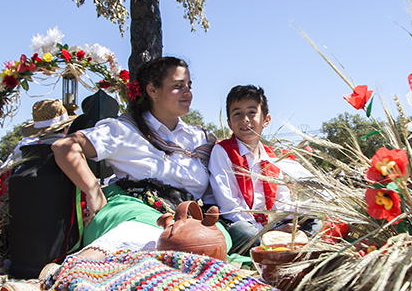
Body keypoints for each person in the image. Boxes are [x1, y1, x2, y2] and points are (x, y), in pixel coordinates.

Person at [52, 56, 232, 255]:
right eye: (178, 85)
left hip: (186, 218)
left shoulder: (200, 138)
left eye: (189, 85)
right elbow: (64, 147)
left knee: (217, 239)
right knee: (153, 238)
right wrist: (94, 192)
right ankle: (77, 270)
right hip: (132, 209)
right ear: (152, 90)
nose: (187, 92)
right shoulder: (124, 130)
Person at [209, 85, 311, 254]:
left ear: (266, 120)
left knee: (314, 221)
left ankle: (275, 246)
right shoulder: (222, 151)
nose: (245, 119)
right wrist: (268, 232)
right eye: (237, 114)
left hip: (270, 224)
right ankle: (275, 246)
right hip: (239, 223)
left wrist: (304, 210)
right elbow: (228, 205)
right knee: (244, 232)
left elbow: (280, 202)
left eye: (252, 112)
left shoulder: (271, 158)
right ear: (229, 123)